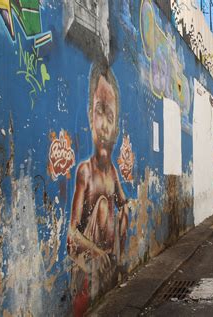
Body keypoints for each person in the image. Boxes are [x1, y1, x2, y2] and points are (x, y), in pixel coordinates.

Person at [68, 64, 129, 316]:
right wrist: (97, 253)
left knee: (116, 206)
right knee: (104, 205)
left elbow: (124, 204)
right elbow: (72, 232)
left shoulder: (113, 172)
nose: (104, 124)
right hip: (88, 265)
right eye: (98, 112)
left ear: (116, 127)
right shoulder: (85, 171)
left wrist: (118, 250)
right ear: (90, 116)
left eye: (110, 117)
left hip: (108, 260)